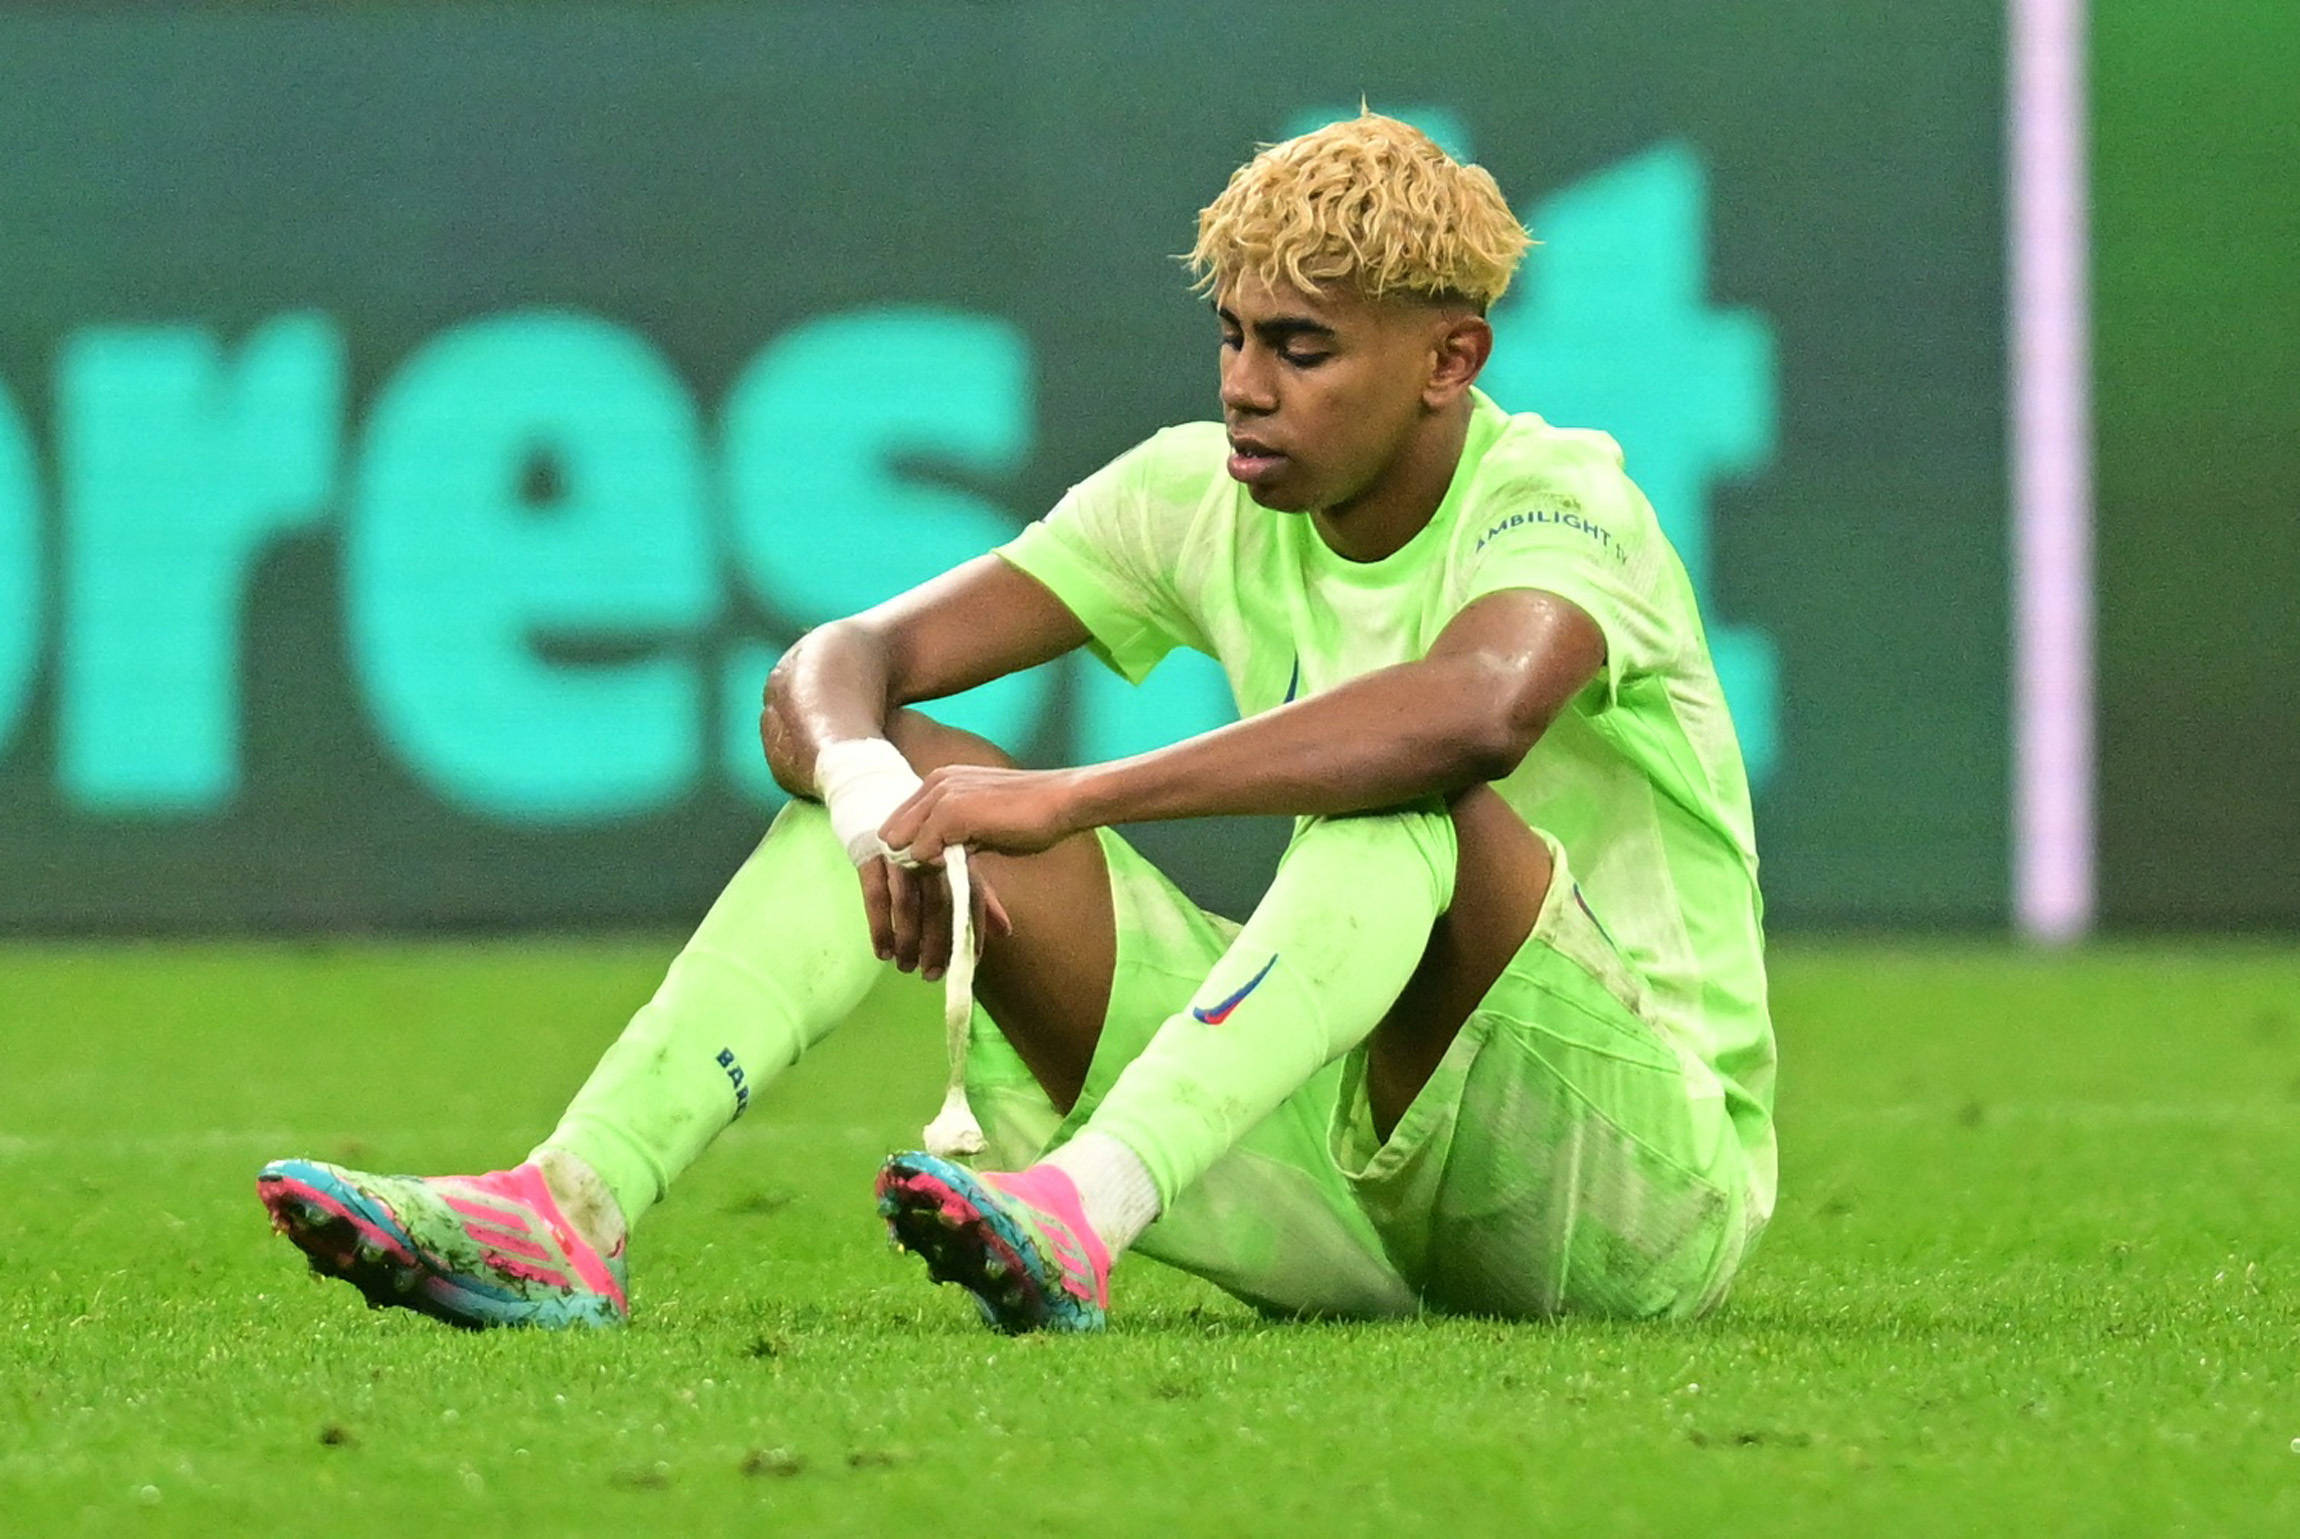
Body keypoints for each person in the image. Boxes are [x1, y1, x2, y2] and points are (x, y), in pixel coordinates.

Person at [256, 112, 1775, 1334]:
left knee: (1407, 805)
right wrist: (869, 796)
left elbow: (1472, 716)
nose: (1247, 388)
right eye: (1233, 337)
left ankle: (1083, 1205)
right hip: (1348, 1183)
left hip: (1636, 1191)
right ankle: (570, 1206)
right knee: (918, 774)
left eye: (1302, 349)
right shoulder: (1195, 493)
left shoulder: (1560, 497)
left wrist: (1074, 795)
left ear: (1452, 360)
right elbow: (840, 661)